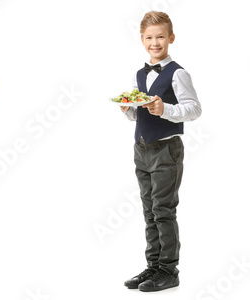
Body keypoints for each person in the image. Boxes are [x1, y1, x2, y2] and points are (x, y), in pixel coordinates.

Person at [120, 11, 201, 293]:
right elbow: (139, 116)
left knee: (163, 210)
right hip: (141, 148)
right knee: (148, 210)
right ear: (142, 40)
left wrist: (164, 109)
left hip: (167, 149)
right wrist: (129, 109)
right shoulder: (139, 74)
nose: (156, 42)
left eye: (161, 37)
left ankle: (169, 270)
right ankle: (153, 265)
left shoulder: (178, 72)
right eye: (150, 37)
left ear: (171, 38)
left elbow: (194, 109)